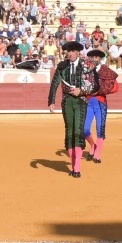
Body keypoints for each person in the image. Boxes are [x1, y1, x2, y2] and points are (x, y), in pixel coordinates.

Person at [48, 40, 95, 178]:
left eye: (73, 51)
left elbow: (93, 85)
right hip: (67, 101)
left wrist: (81, 90)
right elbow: (54, 84)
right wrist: (51, 101)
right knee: (69, 131)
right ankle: (73, 163)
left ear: (78, 52)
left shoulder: (86, 66)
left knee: (78, 131)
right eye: (69, 51)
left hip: (81, 101)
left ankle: (77, 168)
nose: (71, 53)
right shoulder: (62, 66)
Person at [82, 49, 118, 163]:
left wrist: (100, 91)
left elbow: (114, 87)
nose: (93, 59)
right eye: (92, 57)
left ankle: (98, 154)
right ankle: (93, 145)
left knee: (100, 129)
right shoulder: (85, 70)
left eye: (96, 57)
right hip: (88, 103)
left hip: (100, 103)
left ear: (100, 59)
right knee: (85, 129)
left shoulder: (105, 71)